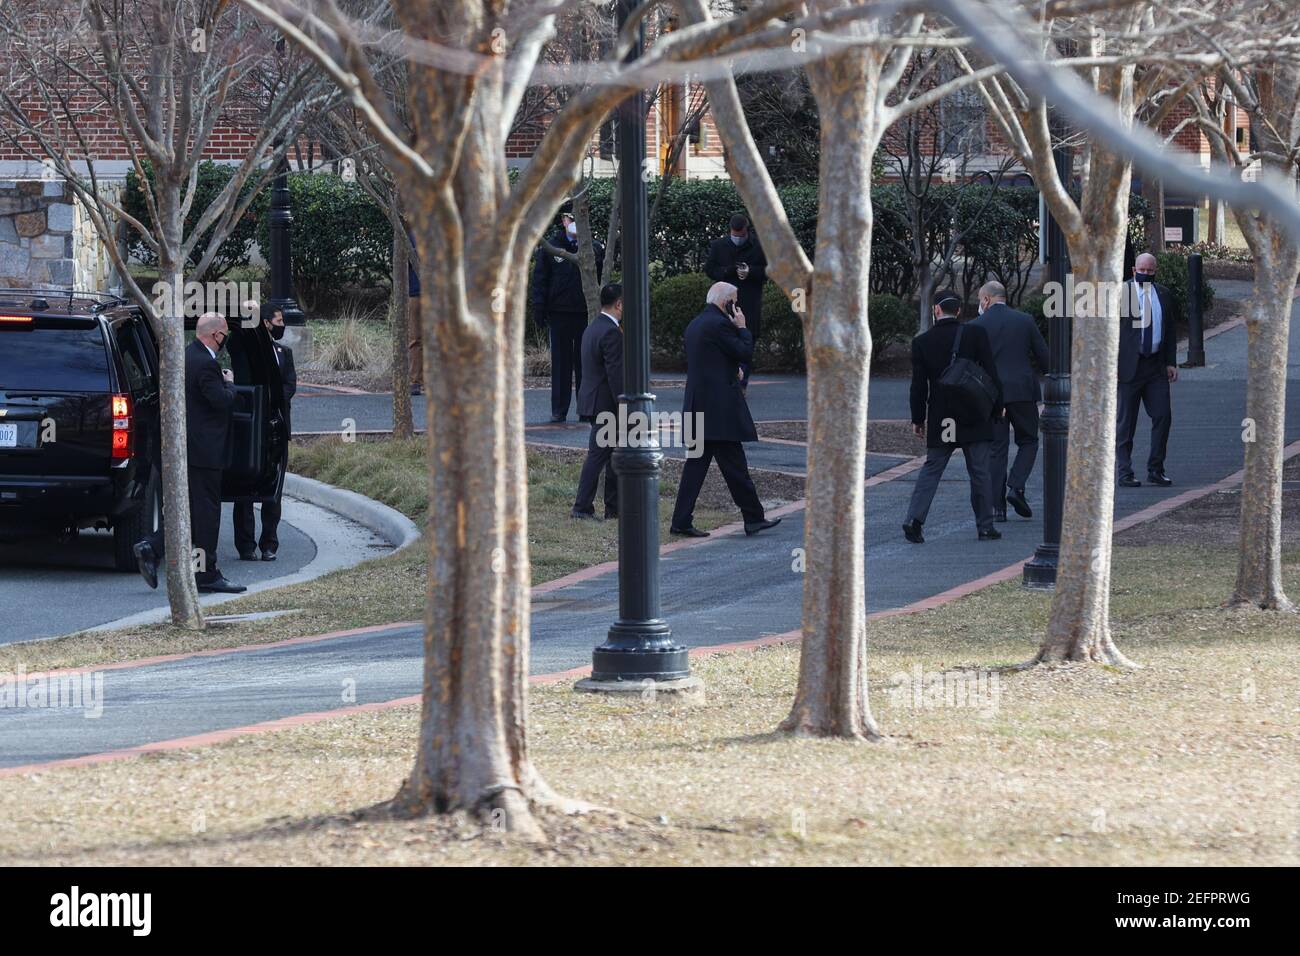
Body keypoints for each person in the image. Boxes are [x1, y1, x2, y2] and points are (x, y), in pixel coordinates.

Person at [133, 312, 246, 594]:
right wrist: (230, 384)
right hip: (203, 453)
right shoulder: (206, 365)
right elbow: (220, 401)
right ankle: (205, 573)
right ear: (216, 335)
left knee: (190, 511)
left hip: (185, 450)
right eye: (224, 334)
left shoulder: (185, 356)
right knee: (206, 513)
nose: (225, 340)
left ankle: (153, 547)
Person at [670, 282, 780, 538]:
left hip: (699, 405)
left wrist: (731, 368)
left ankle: (681, 520)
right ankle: (753, 518)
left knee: (696, 467)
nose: (737, 306)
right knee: (734, 467)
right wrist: (742, 328)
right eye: (734, 301)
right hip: (718, 410)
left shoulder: (696, 323)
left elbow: (711, 359)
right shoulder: (720, 324)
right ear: (725, 303)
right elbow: (744, 351)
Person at [902, 290, 1003, 544]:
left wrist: (918, 419)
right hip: (974, 413)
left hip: (942, 415)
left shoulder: (922, 342)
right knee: (980, 471)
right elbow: (991, 373)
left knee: (932, 468)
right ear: (958, 311)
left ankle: (914, 520)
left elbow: (918, 386)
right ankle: (985, 526)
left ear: (936, 310)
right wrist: (997, 408)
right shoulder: (975, 334)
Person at [973, 280, 1048, 521]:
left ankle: (997, 508)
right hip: (1022, 391)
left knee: (997, 450)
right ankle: (1016, 486)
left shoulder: (976, 325)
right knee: (1029, 441)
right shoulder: (1024, 320)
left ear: (986, 299)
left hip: (992, 395)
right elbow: (1044, 357)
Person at [233, 304, 296, 561]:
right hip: (247, 426)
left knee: (274, 489)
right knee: (243, 490)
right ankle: (245, 545)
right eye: (278, 320)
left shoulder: (284, 352)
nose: (282, 325)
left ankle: (269, 543)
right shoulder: (242, 349)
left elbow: (289, 385)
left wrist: (273, 401)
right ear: (266, 323)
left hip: (275, 428)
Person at [531, 211, 604, 422]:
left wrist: (588, 243)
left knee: (585, 364)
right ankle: (559, 410)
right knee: (561, 364)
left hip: (583, 313)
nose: (570, 223)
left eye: (574, 219)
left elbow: (599, 263)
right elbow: (540, 279)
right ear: (562, 221)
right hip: (559, 312)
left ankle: (585, 409)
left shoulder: (591, 246)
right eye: (568, 219)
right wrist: (539, 307)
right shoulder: (551, 246)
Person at [1116, 252, 1179, 487]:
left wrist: (1171, 362)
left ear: (1156, 271)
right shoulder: (1122, 293)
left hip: (1155, 366)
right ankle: (1124, 472)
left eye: (1150, 271)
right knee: (1126, 423)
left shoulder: (1163, 294)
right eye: (1142, 270)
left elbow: (1170, 330)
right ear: (1134, 270)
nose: (1146, 274)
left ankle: (1156, 468)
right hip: (1128, 367)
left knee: (1163, 416)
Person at [571, 284, 625, 522]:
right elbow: (615, 374)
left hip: (594, 400)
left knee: (610, 455)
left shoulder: (593, 328)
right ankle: (582, 507)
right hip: (606, 403)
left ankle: (613, 507)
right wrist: (625, 402)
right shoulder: (612, 332)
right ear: (619, 304)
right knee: (599, 456)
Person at [704, 214, 767, 389]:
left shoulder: (759, 247)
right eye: (734, 235)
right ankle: (727, 382)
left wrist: (751, 272)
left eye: (740, 235)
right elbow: (710, 269)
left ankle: (742, 384)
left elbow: (769, 271)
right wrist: (728, 271)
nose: (737, 239)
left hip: (749, 303)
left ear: (747, 230)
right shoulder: (719, 246)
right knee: (724, 344)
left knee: (746, 345)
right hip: (723, 304)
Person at [406, 226, 423, 397]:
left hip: (418, 292)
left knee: (416, 339)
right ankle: (416, 381)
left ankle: (416, 382)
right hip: (417, 292)